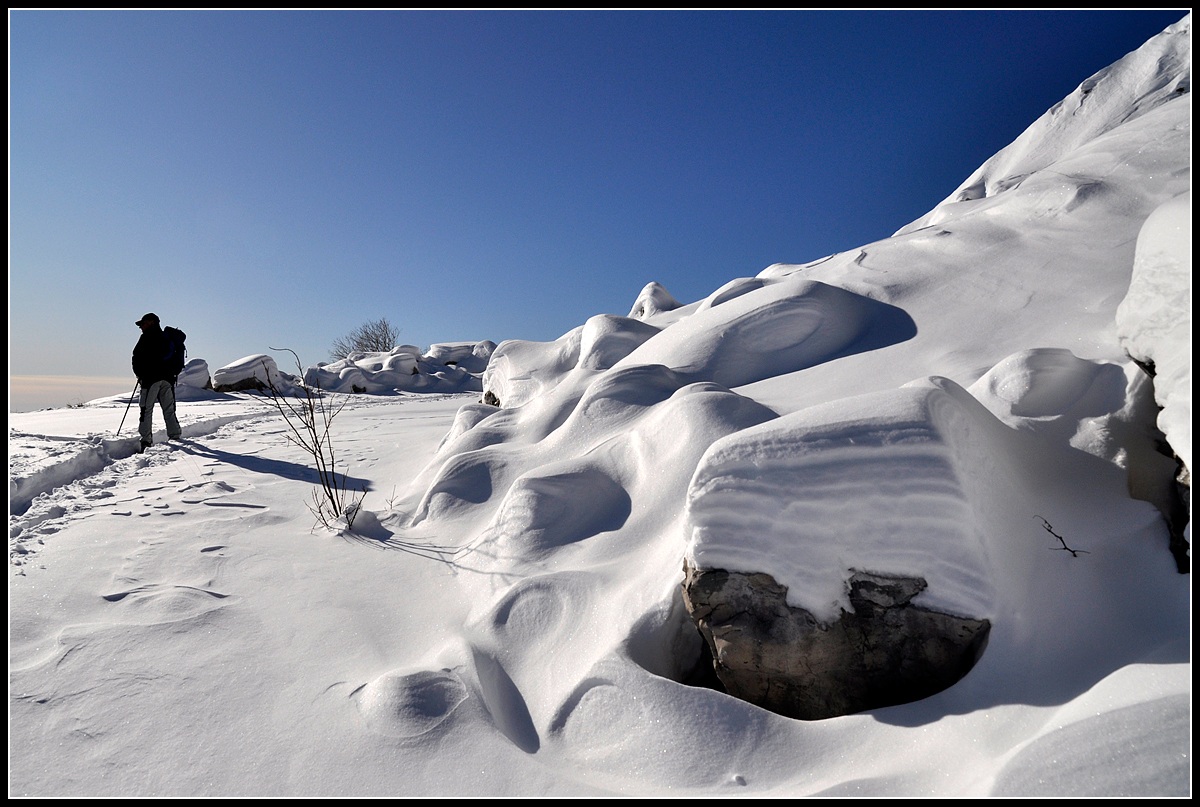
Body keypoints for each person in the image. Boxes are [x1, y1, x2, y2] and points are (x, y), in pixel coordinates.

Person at [132, 312, 182, 452]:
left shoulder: (146, 337)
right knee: (169, 409)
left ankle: (146, 441)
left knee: (146, 410)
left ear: (151, 322)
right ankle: (175, 436)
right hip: (168, 379)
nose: (141, 327)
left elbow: (136, 357)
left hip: (150, 380)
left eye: (143, 324)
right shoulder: (167, 338)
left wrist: (140, 375)